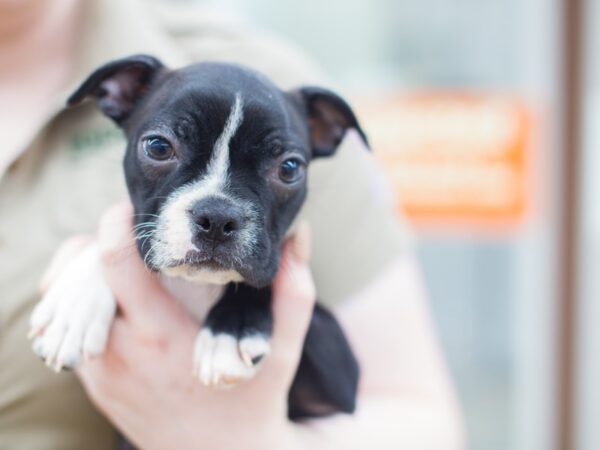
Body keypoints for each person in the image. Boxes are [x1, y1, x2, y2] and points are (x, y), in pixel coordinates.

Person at [0, 0, 465, 448]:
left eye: (283, 170)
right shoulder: (107, 250)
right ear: (116, 95)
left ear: (326, 134)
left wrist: (247, 441)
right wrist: (94, 270)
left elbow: (408, 413)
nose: (217, 215)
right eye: (162, 151)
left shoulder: (276, 71)